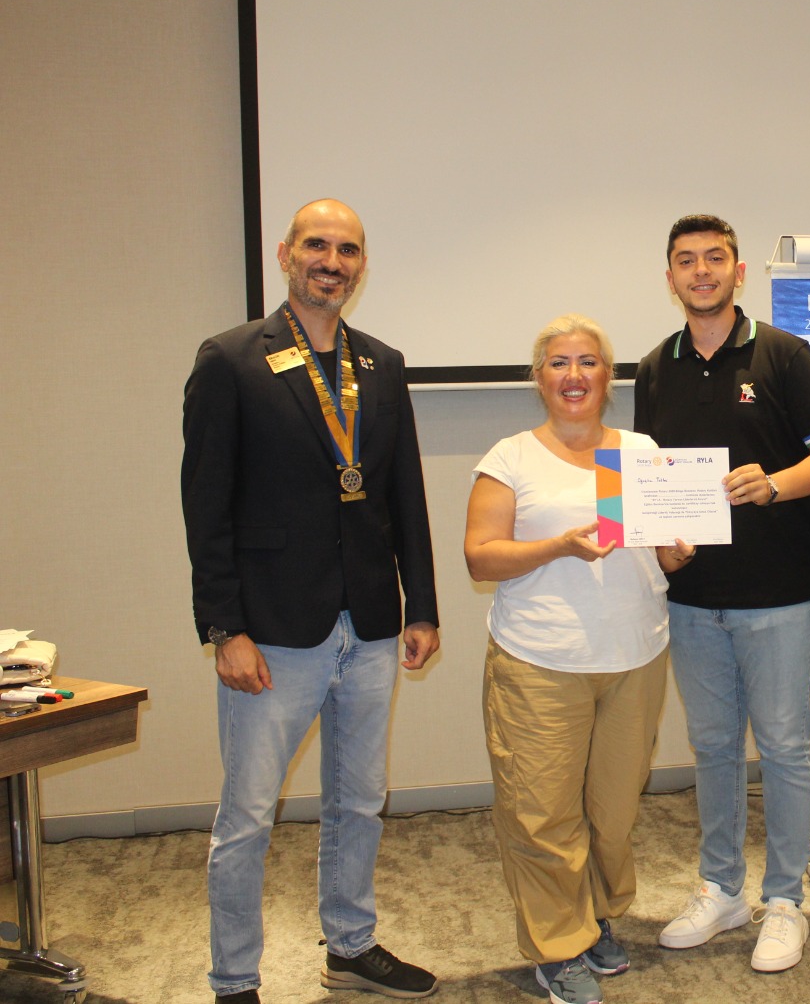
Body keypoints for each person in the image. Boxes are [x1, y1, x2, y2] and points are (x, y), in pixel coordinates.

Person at [181, 199, 441, 1002]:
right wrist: (224, 628)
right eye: (318, 246)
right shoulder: (230, 360)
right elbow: (205, 506)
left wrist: (422, 606)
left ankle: (350, 945)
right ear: (286, 253)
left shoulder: (382, 364)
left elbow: (404, 493)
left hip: (369, 621)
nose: (333, 261)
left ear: (362, 263)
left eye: (348, 249)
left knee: (359, 801)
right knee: (247, 818)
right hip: (272, 627)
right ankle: (234, 980)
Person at [633, 214, 810, 973]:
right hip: (692, 600)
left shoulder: (783, 353)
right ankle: (722, 888)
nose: (701, 271)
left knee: (785, 749)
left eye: (715, 258)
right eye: (686, 261)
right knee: (714, 749)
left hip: (780, 596)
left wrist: (776, 484)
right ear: (670, 277)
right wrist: (659, 541)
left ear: (738, 271)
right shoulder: (653, 367)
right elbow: (647, 479)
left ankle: (785, 900)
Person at [464, 314, 693, 1004]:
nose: (574, 375)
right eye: (559, 363)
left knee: (613, 812)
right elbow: (481, 556)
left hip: (635, 655)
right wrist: (559, 546)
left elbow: (656, 554)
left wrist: (678, 551)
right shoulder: (511, 458)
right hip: (540, 660)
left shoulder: (637, 451)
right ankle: (557, 944)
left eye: (587, 362)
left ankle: (596, 916)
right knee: (542, 813)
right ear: (539, 379)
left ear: (607, 376)